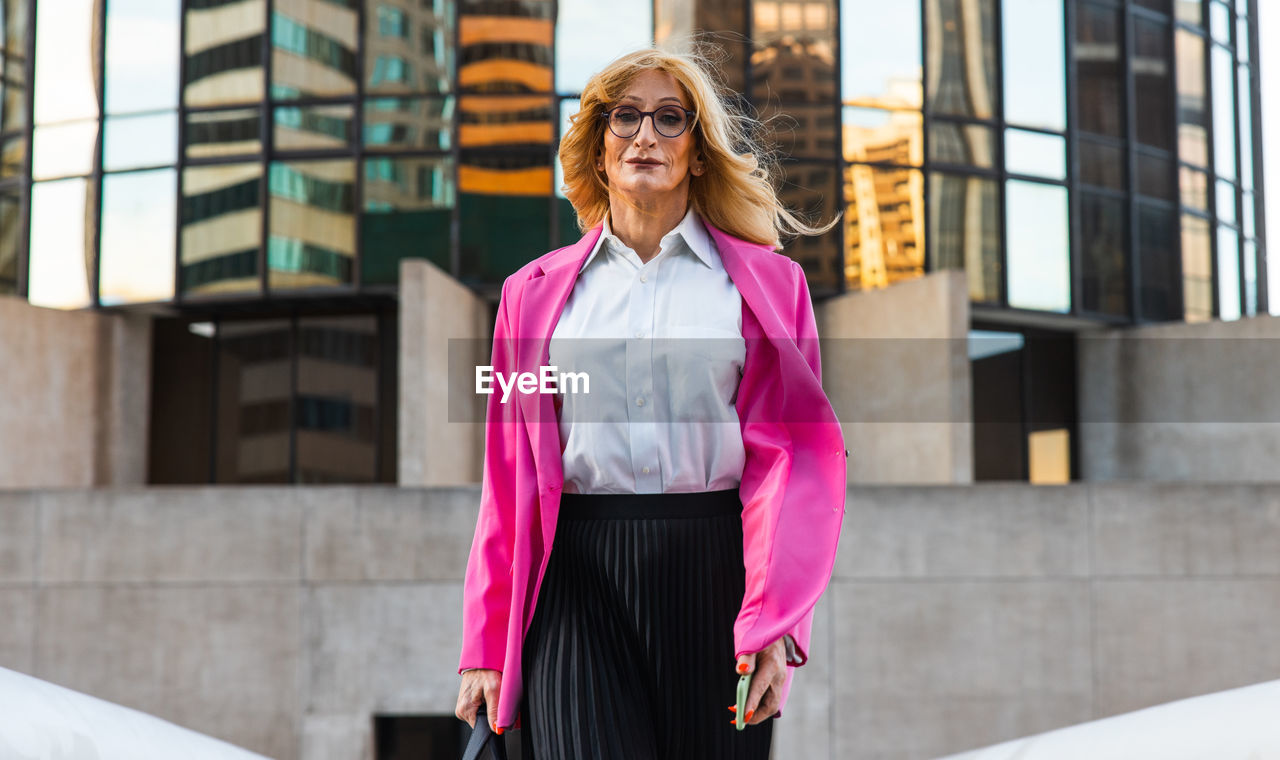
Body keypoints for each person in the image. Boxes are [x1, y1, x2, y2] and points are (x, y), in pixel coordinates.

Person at [455, 45, 847, 759]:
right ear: (599, 151)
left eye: (671, 119)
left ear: (698, 153)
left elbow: (785, 467)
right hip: (575, 577)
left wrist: (775, 626)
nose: (645, 135)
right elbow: (506, 481)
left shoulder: (770, 286)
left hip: (716, 576)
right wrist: (484, 643)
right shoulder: (529, 295)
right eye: (624, 117)